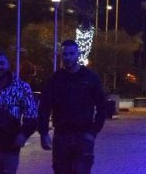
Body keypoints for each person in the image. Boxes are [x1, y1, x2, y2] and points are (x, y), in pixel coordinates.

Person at [38, 39, 107, 174]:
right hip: (62, 134)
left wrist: (94, 130)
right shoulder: (55, 79)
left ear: (77, 54)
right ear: (61, 56)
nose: (68, 57)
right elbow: (44, 107)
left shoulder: (90, 77)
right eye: (65, 54)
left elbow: (102, 105)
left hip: (84, 133)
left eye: (71, 54)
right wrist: (43, 132)